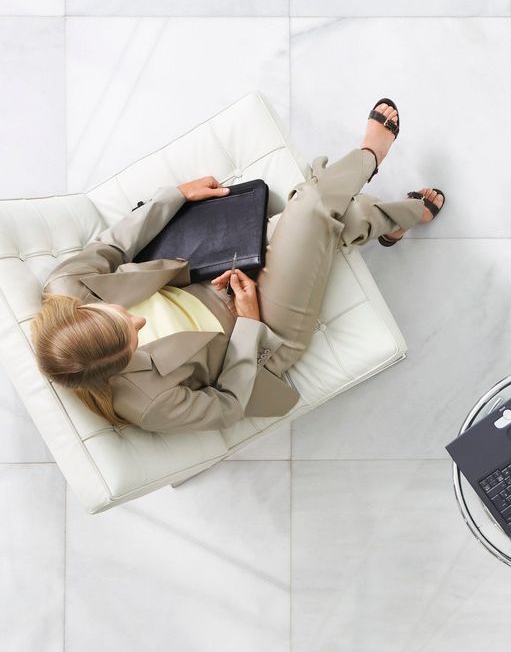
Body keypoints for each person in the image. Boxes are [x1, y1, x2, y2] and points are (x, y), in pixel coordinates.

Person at [31, 99, 445, 431]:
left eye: (120, 315)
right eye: (133, 338)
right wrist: (248, 322)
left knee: (336, 220)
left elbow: (113, 246)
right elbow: (228, 405)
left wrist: (174, 196)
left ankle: (394, 220)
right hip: (258, 336)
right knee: (311, 206)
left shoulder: (66, 286)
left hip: (213, 270)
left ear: (83, 311)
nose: (137, 320)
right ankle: (370, 155)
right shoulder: (146, 404)